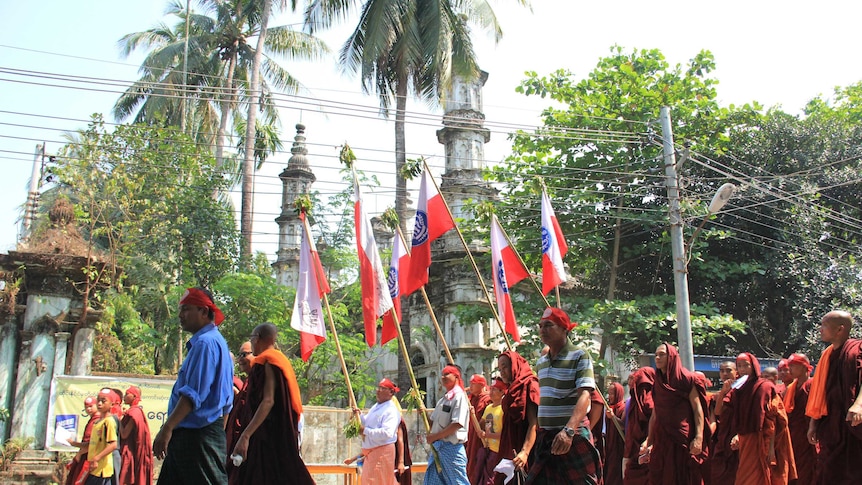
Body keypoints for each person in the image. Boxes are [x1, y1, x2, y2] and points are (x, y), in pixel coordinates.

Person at [152, 287, 233, 485]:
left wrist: (167, 428)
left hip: (197, 436)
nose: (181, 315)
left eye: (186, 309)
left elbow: (193, 395)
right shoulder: (214, 342)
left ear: (204, 312)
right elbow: (226, 404)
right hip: (196, 434)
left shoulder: (206, 343)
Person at [227, 322, 312, 485]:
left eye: (252, 339)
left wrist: (246, 435)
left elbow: (268, 401)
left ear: (258, 338)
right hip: (279, 431)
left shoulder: (268, 361)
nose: (251, 343)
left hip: (267, 435)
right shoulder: (281, 360)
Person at [525, 307, 601, 484]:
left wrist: (568, 430)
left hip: (572, 436)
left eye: (548, 325)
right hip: (547, 439)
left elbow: (585, 396)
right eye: (540, 326)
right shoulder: (541, 363)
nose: (542, 330)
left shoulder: (580, 356)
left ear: (564, 329)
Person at [806, 310, 862, 484]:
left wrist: (859, 404)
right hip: (831, 427)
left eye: (824, 325)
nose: (820, 330)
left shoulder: (856, 350)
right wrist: (813, 422)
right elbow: (821, 392)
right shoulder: (827, 356)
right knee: (828, 473)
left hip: (852, 425)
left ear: (840, 329)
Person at [725, 352, 795, 485]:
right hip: (745, 438)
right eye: (739, 366)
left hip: (761, 439)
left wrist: (771, 448)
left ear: (754, 366)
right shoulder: (739, 388)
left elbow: (773, 418)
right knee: (744, 476)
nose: (743, 369)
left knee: (760, 475)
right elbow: (732, 412)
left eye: (746, 365)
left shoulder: (764, 387)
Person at [645, 342, 709, 484]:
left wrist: (699, 437)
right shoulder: (657, 382)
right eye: (656, 355)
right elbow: (655, 413)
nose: (657, 358)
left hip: (682, 438)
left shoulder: (685, 378)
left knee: (684, 476)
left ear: (672, 356)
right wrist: (649, 440)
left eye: (662, 354)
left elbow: (697, 408)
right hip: (662, 438)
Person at [495, 350, 539, 484]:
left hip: (526, 447)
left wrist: (525, 452)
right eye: (499, 368)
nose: (502, 372)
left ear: (515, 366)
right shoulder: (511, 390)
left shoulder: (529, 385)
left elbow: (534, 423)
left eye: (505, 367)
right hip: (509, 446)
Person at [424, 364, 471, 485]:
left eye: (447, 374)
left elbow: (457, 424)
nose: (443, 377)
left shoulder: (459, 397)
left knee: (458, 482)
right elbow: (433, 423)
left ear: (456, 376)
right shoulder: (443, 400)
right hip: (438, 447)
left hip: (451, 449)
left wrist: (435, 437)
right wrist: (422, 412)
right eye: (442, 374)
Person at [352, 378, 402, 485]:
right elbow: (367, 423)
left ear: (391, 392)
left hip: (382, 452)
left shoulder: (391, 411)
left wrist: (365, 431)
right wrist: (359, 416)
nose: (378, 391)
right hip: (372, 453)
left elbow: (387, 433)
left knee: (378, 481)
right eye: (378, 387)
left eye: (382, 388)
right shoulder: (376, 407)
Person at [784, 353, 814, 485]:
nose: (789, 369)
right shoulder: (790, 388)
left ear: (803, 367)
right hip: (793, 435)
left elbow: (817, 409)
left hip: (808, 434)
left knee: (808, 469)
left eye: (793, 366)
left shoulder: (812, 384)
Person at [623, 367, 654, 485]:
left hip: (650, 451)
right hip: (635, 453)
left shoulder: (654, 400)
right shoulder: (633, 403)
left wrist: (650, 441)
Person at [710, 361, 739, 484]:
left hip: (738, 436)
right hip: (723, 438)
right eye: (722, 371)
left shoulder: (742, 390)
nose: (725, 374)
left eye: (728, 370)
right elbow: (718, 412)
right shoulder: (717, 395)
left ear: (736, 373)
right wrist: (723, 392)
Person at [86, 389, 121, 485]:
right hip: (95, 468)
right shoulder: (98, 421)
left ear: (112, 404)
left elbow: (113, 444)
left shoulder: (109, 421)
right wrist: (73, 443)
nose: (99, 403)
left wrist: (97, 458)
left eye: (103, 401)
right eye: (98, 400)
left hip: (103, 469)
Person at [119, 386, 153, 485]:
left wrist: (119, 420)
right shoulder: (133, 411)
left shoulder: (134, 412)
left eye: (126, 394)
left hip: (129, 452)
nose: (124, 397)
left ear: (134, 396)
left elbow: (124, 434)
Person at [476, 378, 505, 485]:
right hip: (487, 449)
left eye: (494, 390)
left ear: (502, 392)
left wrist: (487, 434)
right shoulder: (488, 408)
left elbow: (504, 435)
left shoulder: (504, 410)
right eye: (490, 389)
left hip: (497, 452)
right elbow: (481, 424)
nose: (490, 392)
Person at [66, 396, 99, 485]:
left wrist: (74, 445)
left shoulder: (97, 421)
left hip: (89, 458)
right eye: (86, 407)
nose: (88, 409)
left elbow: (91, 444)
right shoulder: (92, 420)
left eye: (91, 406)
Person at [467, 374, 491, 485]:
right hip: (471, 438)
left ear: (481, 385)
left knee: (479, 466)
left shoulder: (487, 399)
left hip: (481, 440)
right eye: (470, 383)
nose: (470, 386)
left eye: (473, 384)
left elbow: (489, 421)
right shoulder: (471, 399)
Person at [604, 382, 626, 485]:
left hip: (619, 448)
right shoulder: (609, 408)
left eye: (612, 393)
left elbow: (623, 426)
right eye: (609, 393)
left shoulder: (624, 408)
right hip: (610, 447)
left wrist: (613, 417)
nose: (610, 396)